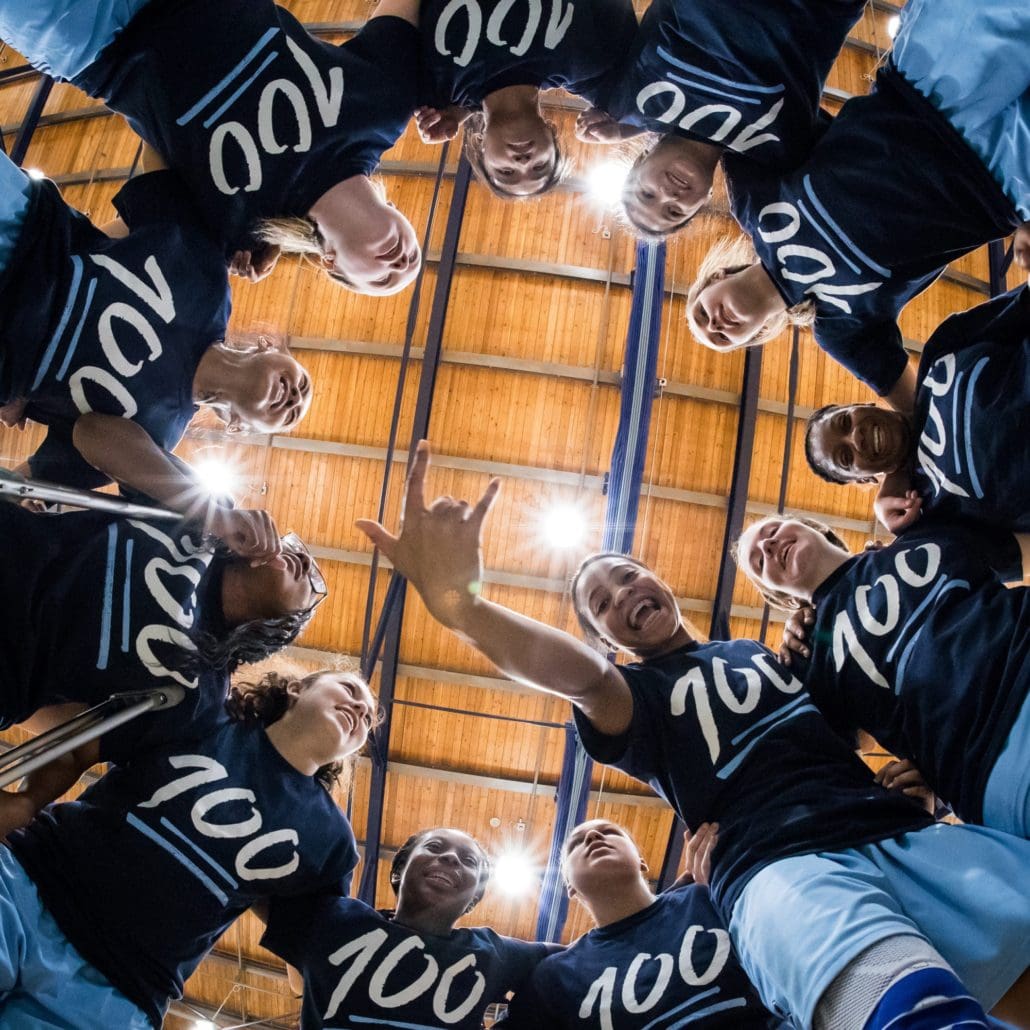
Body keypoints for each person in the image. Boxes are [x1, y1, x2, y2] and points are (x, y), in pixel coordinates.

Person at [355, 442, 1030, 1030]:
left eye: (625, 576)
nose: (620, 595)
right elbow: (577, 675)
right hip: (780, 872)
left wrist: (922, 769)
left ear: (658, 580)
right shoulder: (635, 699)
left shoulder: (773, 655)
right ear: (605, 638)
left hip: (895, 833)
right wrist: (463, 606)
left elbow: (879, 702)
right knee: (911, 1011)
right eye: (600, 605)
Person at [686, 0, 1028, 410]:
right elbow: (912, 409)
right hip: (1004, 181)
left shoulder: (753, 201)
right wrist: (902, 467)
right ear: (757, 335)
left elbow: (716, 116)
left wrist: (632, 118)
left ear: (716, 278)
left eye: (702, 314)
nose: (716, 324)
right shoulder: (840, 330)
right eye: (720, 337)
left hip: (928, 86)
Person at [0, 667, 375, 1027]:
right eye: (350, 691)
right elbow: (81, 747)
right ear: (297, 688)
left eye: (369, 719)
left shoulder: (331, 842)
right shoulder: (201, 714)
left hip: (117, 993)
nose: (360, 709)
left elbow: (307, 958)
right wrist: (29, 802)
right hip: (26, 888)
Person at [0, 0, 423, 295]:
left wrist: (229, 236)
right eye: (416, 258)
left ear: (331, 262)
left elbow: (126, 224)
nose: (402, 265)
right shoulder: (384, 105)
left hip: (91, 38)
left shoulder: (234, 231)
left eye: (383, 280)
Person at [0, 152, 313, 490]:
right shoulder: (208, 277)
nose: (295, 398)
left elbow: (30, 480)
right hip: (22, 227)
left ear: (239, 425)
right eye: (302, 384)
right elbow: (159, 155)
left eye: (291, 414)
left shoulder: (151, 445)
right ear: (268, 347)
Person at [735, 513, 1030, 839]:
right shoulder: (806, 663)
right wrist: (903, 795)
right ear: (783, 598)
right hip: (987, 764)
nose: (768, 544)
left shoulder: (923, 533)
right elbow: (835, 775)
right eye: (759, 561)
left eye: (773, 530)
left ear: (816, 528)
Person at [0, 500, 327, 729]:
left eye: (315, 586)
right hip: (14, 548)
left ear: (284, 628)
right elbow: (90, 435)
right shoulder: (206, 517)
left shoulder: (203, 697)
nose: (306, 560)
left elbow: (81, 727)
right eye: (297, 546)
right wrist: (215, 512)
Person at [573, 0, 866, 236]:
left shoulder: (627, 100)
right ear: (707, 197)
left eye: (647, 194)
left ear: (639, 163)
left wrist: (627, 123)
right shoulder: (778, 154)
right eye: (675, 211)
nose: (667, 196)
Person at [261, 826, 555, 1028]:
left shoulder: (493, 955)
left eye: (468, 861)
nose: (451, 857)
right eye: (434, 846)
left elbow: (589, 956)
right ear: (399, 870)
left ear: (473, 899)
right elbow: (249, 879)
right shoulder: (335, 921)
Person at [499, 819, 779, 1028]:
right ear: (569, 886)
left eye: (610, 832)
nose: (594, 835)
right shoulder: (555, 977)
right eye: (576, 843)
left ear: (642, 861)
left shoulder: (710, 898)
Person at [803, 281, 1030, 534]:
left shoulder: (940, 351)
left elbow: (1023, 304)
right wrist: (909, 534)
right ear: (865, 479)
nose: (855, 436)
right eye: (846, 457)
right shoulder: (933, 516)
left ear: (862, 404)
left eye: (845, 422)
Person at [413, 0, 637, 198]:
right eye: (540, 166)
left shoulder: (433, 80)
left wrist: (453, 105)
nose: (523, 163)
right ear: (552, 133)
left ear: (481, 146)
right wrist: (625, 130)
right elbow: (659, 108)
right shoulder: (588, 61)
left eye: (506, 172)